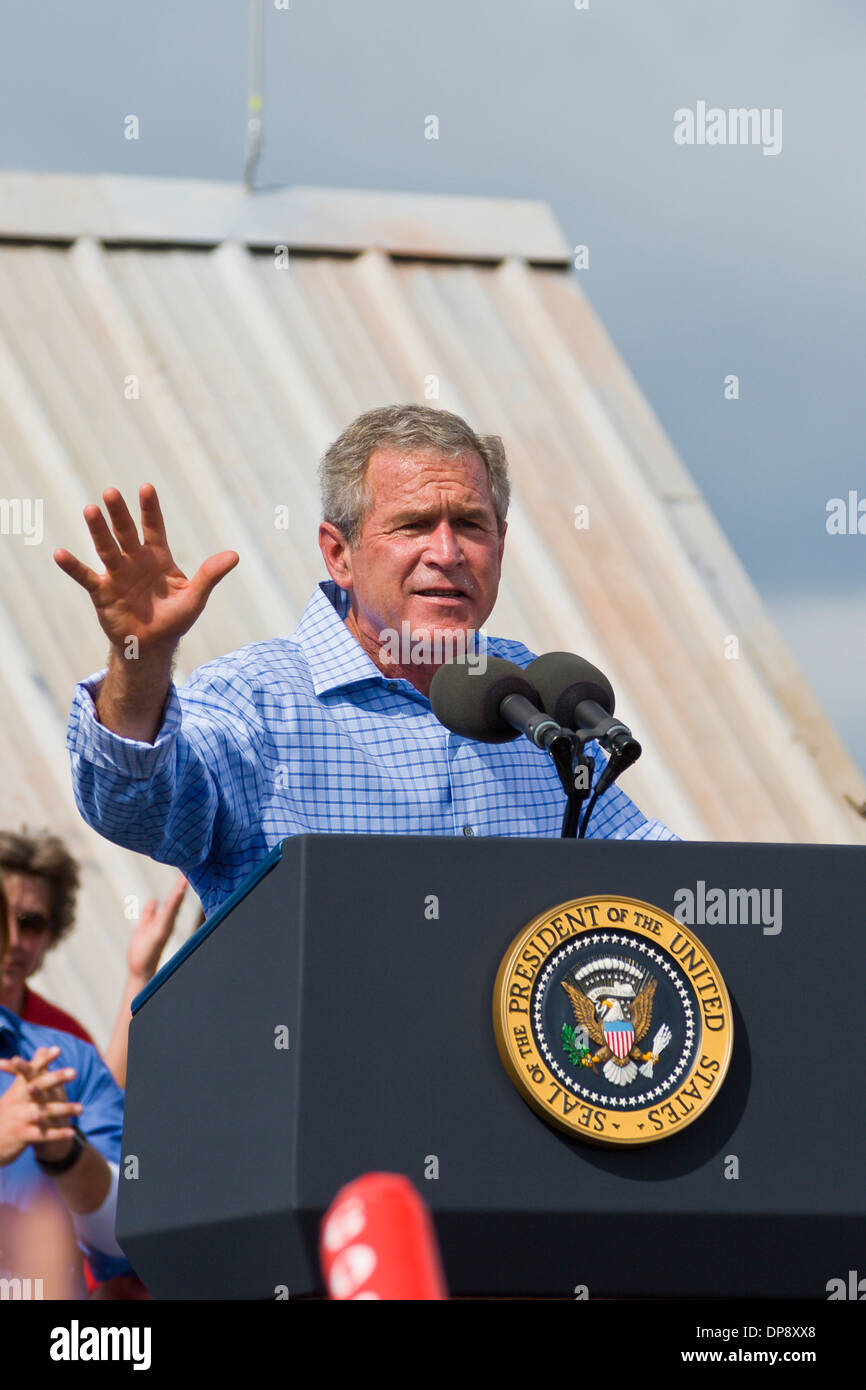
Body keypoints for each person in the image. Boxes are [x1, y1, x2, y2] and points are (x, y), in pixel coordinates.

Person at [58, 404, 677, 915]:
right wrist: (139, 658)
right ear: (338, 554)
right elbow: (137, 811)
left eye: (470, 524)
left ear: (501, 543)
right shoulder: (259, 698)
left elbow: (662, 882)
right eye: (412, 525)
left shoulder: (537, 692)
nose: (447, 552)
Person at [0, 875, 132, 1295]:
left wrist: (66, 1155)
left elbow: (126, 1243)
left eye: (31, 922)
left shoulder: (69, 1058)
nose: (19, 939)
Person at [0, 829, 187, 1089]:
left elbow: (105, 1100)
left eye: (31, 923)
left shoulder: (65, 1036)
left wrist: (140, 974)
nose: (13, 939)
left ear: (51, 932)